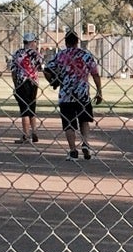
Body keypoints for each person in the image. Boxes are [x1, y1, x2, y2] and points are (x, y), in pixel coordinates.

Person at [43, 28, 103, 160]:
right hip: (82, 93)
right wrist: (99, 91)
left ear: (66, 42)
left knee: (68, 123)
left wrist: (53, 81)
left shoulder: (61, 55)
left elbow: (46, 69)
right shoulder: (86, 55)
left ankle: (73, 150)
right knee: (84, 120)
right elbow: (95, 74)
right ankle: (86, 143)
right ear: (77, 41)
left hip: (66, 94)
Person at [10, 33, 43, 144]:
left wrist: (15, 85)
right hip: (34, 82)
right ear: (31, 42)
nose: (35, 44)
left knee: (24, 109)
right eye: (34, 42)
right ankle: (34, 132)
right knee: (32, 107)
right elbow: (40, 67)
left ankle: (26, 135)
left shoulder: (18, 53)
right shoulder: (36, 54)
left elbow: (13, 71)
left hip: (21, 82)